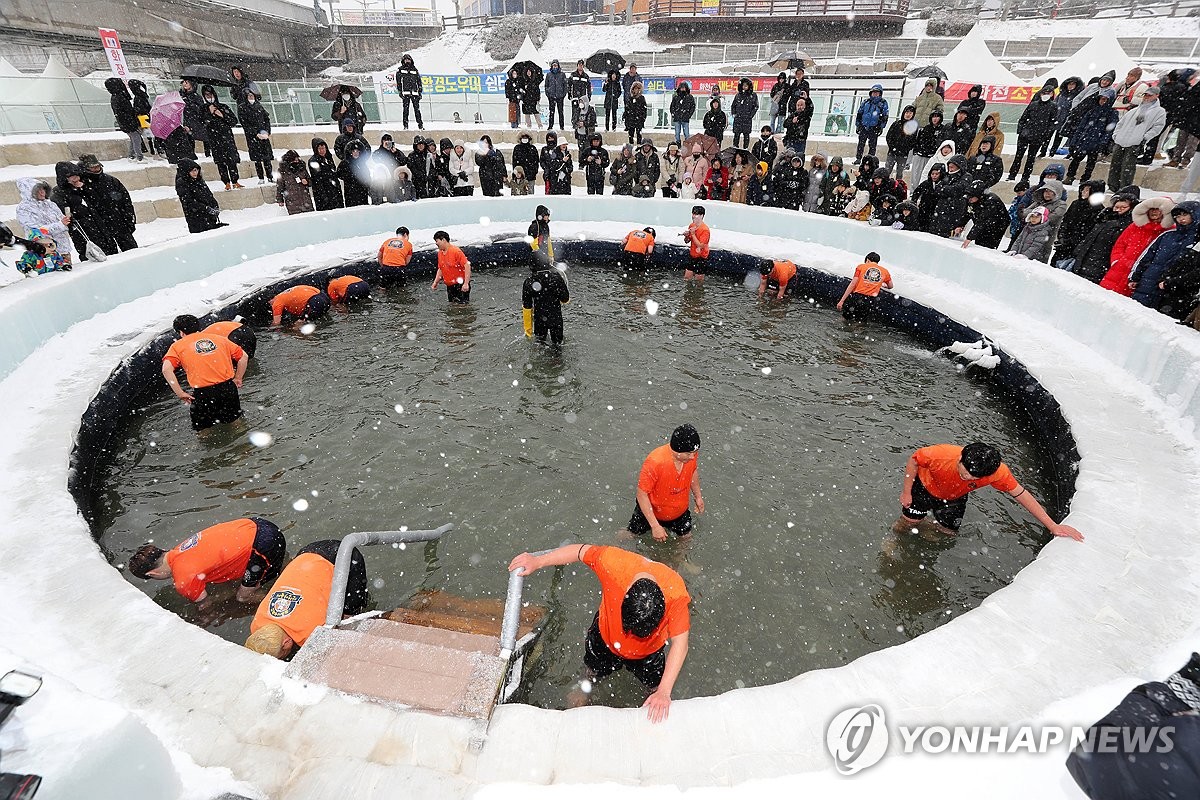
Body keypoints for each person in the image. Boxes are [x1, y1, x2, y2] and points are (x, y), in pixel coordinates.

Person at [507, 543, 690, 723]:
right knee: (592, 669)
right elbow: (579, 551)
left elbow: (680, 645)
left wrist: (664, 691)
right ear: (625, 593)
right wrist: (538, 561)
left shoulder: (675, 593)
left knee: (656, 686)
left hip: (649, 653)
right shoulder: (613, 564)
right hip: (605, 638)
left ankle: (654, 694)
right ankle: (584, 687)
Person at [895, 442, 1085, 541]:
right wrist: (907, 492)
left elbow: (1021, 494)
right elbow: (914, 460)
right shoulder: (939, 454)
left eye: (974, 478)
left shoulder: (997, 473)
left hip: (955, 497)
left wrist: (1053, 526)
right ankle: (894, 538)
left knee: (947, 533)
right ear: (960, 459)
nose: (968, 478)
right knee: (908, 522)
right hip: (924, 488)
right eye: (965, 473)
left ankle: (928, 528)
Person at [244, 539, 368, 660]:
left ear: (286, 643)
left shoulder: (310, 634)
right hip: (307, 554)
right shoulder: (257, 624)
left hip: (343, 556)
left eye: (279, 657)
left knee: (349, 617)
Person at [128, 518, 286, 605]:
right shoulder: (180, 548)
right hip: (257, 524)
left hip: (263, 545)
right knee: (273, 572)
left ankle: (282, 600)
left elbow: (206, 605)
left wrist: (203, 617)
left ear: (152, 573)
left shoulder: (182, 580)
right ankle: (285, 572)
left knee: (241, 598)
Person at [161, 314, 247, 431]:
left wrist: (180, 392)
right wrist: (238, 378)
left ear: (181, 332)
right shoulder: (219, 339)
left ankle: (208, 445)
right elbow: (243, 357)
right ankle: (243, 446)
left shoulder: (177, 346)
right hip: (227, 388)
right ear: (198, 326)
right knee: (235, 421)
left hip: (203, 393)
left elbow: (166, 369)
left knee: (202, 428)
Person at [623, 424, 705, 543]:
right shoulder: (655, 462)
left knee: (686, 539)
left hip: (679, 512)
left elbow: (693, 471)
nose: (693, 457)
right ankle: (613, 547)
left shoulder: (691, 454)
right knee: (630, 535)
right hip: (652, 511)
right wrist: (655, 526)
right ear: (677, 449)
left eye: (695, 452)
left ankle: (681, 560)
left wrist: (698, 497)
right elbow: (641, 495)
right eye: (688, 453)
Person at [1129, 202, 1200, 310]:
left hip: (1172, 290)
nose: (1181, 219)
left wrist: (1171, 282)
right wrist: (1135, 277)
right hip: (1148, 282)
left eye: (1184, 214)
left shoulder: (1196, 240)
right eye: (1177, 216)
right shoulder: (1167, 235)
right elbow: (1147, 257)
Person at [1098, 196, 1174, 294]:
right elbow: (1120, 244)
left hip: (1139, 275)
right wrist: (1117, 261)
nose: (1154, 212)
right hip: (1119, 269)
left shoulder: (1168, 231)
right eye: (1151, 209)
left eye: (1157, 209)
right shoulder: (1136, 226)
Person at [1108, 86, 1166, 193]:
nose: (1146, 97)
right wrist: (1116, 135)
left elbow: (1158, 127)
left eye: (1149, 95)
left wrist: (1145, 137)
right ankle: (1112, 186)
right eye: (1146, 95)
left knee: (1128, 166)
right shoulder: (1135, 109)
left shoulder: (1159, 111)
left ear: (1156, 96)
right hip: (1121, 140)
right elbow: (1121, 123)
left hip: (1135, 142)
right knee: (1115, 164)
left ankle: (1124, 188)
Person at [77, 154, 138, 253]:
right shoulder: (81, 185)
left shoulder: (111, 180)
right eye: (93, 167)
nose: (96, 169)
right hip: (99, 226)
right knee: (109, 255)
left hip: (118, 221)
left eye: (98, 166)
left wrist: (129, 219)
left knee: (132, 250)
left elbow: (125, 201)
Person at [1072, 192, 1136, 283]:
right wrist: (1078, 252)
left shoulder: (1126, 224)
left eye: (1123, 208)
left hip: (1101, 264)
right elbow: (1089, 238)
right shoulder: (1104, 219)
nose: (1118, 210)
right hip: (1086, 260)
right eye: (1116, 207)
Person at [16, 178, 73, 267]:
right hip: (43, 251)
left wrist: (67, 221)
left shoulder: (51, 204)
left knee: (69, 276)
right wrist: (60, 225)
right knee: (49, 279)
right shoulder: (23, 208)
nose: (42, 192)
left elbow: (63, 221)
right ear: (29, 192)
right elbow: (36, 230)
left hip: (62, 249)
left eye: (43, 189)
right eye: (38, 190)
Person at [1065, 89, 1118, 185]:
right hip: (1084, 140)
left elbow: (1109, 130)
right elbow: (1081, 126)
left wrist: (1103, 142)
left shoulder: (1112, 113)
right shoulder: (1092, 111)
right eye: (1101, 99)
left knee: (1090, 163)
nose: (1103, 101)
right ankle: (1070, 176)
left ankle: (1085, 179)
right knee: (1076, 159)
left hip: (1097, 142)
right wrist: (1075, 140)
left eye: (1105, 99)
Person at [1050, 180, 1105, 269]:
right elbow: (1065, 221)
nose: (1083, 192)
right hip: (1064, 244)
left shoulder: (1098, 210)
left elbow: (1088, 231)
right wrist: (1062, 237)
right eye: (1083, 189)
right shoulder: (1076, 204)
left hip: (1077, 248)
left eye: (1087, 190)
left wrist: (1072, 242)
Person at [199, 85, 242, 190]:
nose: (209, 97)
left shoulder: (223, 107)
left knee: (231, 160)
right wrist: (209, 113)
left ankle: (235, 180)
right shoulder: (203, 109)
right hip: (214, 138)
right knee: (220, 161)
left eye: (210, 94)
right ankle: (226, 182)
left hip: (226, 137)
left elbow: (233, 121)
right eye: (206, 95)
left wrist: (222, 115)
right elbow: (202, 123)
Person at [522, 256, 570, 345]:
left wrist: (528, 331)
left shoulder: (529, 282)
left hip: (539, 319)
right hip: (556, 319)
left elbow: (527, 308)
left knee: (540, 345)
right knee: (558, 346)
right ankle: (557, 358)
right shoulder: (556, 277)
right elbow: (565, 299)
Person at [836, 251, 892, 320]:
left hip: (856, 297)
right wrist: (882, 285)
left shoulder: (861, 267)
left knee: (845, 318)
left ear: (867, 260)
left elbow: (853, 284)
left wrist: (842, 301)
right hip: (870, 300)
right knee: (860, 321)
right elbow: (890, 286)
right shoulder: (885, 271)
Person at [174, 159, 224, 234]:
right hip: (197, 219)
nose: (195, 173)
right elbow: (189, 202)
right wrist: (206, 208)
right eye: (192, 171)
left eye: (196, 170)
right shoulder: (182, 183)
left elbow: (209, 195)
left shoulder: (199, 180)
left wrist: (215, 205)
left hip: (209, 217)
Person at [238, 89, 273, 184]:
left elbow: (266, 119)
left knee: (267, 158)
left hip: (263, 135)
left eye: (252, 95)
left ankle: (270, 176)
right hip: (253, 137)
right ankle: (261, 177)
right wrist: (255, 133)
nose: (251, 97)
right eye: (249, 95)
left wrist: (267, 132)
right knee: (257, 159)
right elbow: (245, 124)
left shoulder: (259, 106)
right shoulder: (242, 107)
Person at [962, 183, 1011, 250]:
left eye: (971, 198)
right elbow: (967, 213)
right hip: (984, 222)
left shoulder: (991, 201)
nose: (969, 200)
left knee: (986, 245)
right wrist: (960, 225)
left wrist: (969, 238)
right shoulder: (972, 200)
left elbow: (982, 221)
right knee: (979, 238)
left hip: (997, 225)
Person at [104, 78, 142, 162]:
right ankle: (139, 156)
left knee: (133, 138)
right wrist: (132, 119)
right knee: (136, 137)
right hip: (128, 122)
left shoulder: (116, 96)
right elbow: (125, 111)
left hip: (125, 122)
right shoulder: (120, 96)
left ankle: (132, 155)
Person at [909, 109, 948, 187]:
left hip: (932, 157)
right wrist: (917, 152)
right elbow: (918, 141)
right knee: (916, 176)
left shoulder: (943, 130)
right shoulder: (925, 128)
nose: (935, 119)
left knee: (929, 176)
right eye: (933, 117)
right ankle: (914, 192)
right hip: (921, 155)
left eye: (937, 117)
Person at [431, 230, 471, 303]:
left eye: (437, 241)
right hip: (450, 286)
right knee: (452, 306)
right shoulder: (440, 253)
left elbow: (467, 265)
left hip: (460, 284)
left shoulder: (455, 251)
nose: (436, 243)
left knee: (462, 307)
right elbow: (441, 269)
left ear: (443, 240)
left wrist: (466, 284)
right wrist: (435, 282)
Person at [854, 84, 889, 163]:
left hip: (874, 127)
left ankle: (870, 160)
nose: (875, 94)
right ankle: (858, 158)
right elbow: (859, 113)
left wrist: (881, 127)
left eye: (877, 93)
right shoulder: (866, 102)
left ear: (880, 93)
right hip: (864, 126)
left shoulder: (883, 103)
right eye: (873, 92)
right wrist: (858, 125)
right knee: (861, 143)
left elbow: (885, 116)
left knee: (872, 145)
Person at [884, 105, 918, 179]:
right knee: (887, 171)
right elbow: (889, 136)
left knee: (899, 173)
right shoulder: (896, 124)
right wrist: (892, 147)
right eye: (907, 112)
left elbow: (913, 141)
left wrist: (906, 149)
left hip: (903, 154)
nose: (908, 114)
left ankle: (898, 187)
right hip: (892, 152)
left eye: (910, 113)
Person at [274, 150, 313, 215]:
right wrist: (280, 199)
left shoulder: (301, 168)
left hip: (305, 200)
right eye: (294, 160)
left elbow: (310, 181)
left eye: (297, 159)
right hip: (292, 202)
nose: (296, 161)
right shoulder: (282, 171)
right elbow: (280, 186)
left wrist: (307, 182)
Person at [128, 79, 157, 159]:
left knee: (147, 135)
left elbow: (140, 110)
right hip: (147, 117)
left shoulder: (138, 97)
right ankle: (153, 151)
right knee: (149, 136)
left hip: (143, 118)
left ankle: (151, 151)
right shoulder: (144, 95)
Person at [395, 54, 424, 130]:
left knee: (417, 110)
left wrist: (420, 91)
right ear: (403, 61)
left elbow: (419, 81)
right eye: (406, 60)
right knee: (405, 110)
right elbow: (399, 82)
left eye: (409, 60)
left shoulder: (415, 70)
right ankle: (405, 126)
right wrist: (400, 92)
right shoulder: (400, 70)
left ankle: (420, 125)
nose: (407, 61)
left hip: (415, 93)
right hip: (406, 93)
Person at [683, 205, 711, 282]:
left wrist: (692, 234)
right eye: (693, 213)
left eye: (697, 214)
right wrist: (687, 236)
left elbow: (700, 245)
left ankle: (698, 293)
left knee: (699, 281)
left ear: (702, 216)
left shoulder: (705, 230)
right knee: (686, 278)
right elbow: (687, 241)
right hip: (693, 255)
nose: (694, 216)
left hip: (701, 257)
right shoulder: (692, 225)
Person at [730, 78, 759, 149]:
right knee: (736, 135)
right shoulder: (738, 95)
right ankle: (735, 148)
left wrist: (750, 115)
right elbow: (733, 105)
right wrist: (734, 114)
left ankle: (745, 149)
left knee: (746, 135)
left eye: (746, 85)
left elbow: (756, 106)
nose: (745, 87)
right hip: (738, 119)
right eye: (743, 85)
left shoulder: (753, 95)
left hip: (747, 119)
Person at [567, 59, 592, 128]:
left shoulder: (586, 76)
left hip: (583, 98)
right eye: (579, 65)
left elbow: (589, 87)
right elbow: (569, 85)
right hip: (575, 97)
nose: (580, 66)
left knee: (582, 111)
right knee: (575, 111)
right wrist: (569, 94)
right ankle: (574, 124)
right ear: (577, 66)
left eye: (582, 65)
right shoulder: (573, 75)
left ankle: (581, 124)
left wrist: (589, 96)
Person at [544, 59, 567, 131]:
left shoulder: (562, 74)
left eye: (556, 65)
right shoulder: (549, 75)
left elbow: (565, 85)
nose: (555, 67)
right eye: (553, 65)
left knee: (560, 112)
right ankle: (550, 126)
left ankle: (562, 126)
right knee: (551, 112)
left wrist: (563, 94)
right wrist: (548, 94)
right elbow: (546, 85)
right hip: (551, 96)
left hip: (560, 96)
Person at [624, 82, 648, 146]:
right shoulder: (630, 98)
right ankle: (631, 144)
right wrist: (626, 116)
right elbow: (627, 108)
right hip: (631, 118)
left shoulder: (641, 98)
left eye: (637, 89)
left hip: (639, 119)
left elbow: (644, 109)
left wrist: (643, 118)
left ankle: (639, 145)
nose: (636, 90)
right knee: (630, 133)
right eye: (635, 89)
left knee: (639, 133)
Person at [521, 65, 543, 129]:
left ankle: (540, 126)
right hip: (526, 100)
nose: (528, 73)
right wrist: (523, 97)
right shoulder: (524, 81)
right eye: (527, 71)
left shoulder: (535, 80)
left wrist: (537, 99)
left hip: (534, 99)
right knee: (527, 113)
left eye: (529, 71)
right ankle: (528, 126)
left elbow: (537, 90)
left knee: (536, 113)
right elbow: (522, 91)